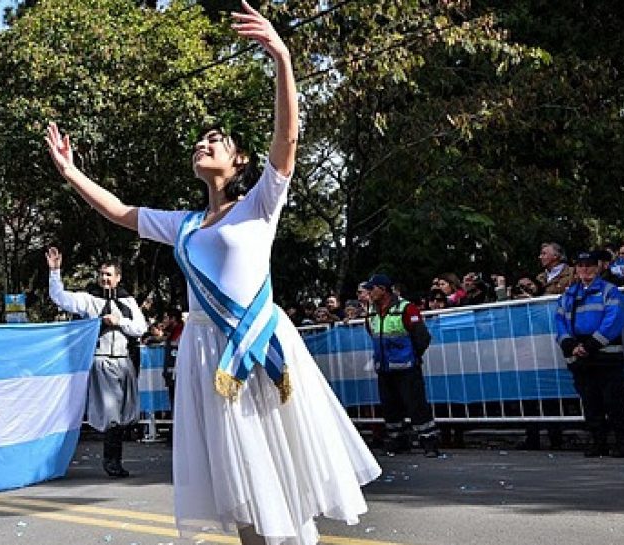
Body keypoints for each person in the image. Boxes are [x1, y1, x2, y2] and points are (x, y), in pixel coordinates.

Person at [43, 3, 379, 542]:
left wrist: (283, 59)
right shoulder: (184, 224)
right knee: (237, 481)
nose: (203, 144)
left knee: (276, 469)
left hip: (254, 347)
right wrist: (71, 171)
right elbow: (119, 211)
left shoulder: (260, 203)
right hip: (205, 356)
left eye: (215, 140)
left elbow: (287, 141)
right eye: (199, 141)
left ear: (240, 160)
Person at [45, 246, 148, 477]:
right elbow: (60, 298)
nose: (104, 278)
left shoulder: (128, 302)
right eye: (102, 274)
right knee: (111, 414)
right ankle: (111, 462)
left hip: (124, 361)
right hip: (102, 361)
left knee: (125, 414)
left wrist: (120, 321)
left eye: (109, 274)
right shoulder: (89, 300)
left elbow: (141, 327)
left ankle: (115, 459)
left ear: (118, 277)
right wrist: (55, 272)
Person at [555, 251, 624, 457]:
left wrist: (590, 344)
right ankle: (598, 443)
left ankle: (622, 443)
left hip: (606, 355)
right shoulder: (568, 295)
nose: (585, 269)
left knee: (614, 401)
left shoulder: (609, 290)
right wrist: (570, 345)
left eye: (589, 265)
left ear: (598, 267)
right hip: (581, 357)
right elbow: (559, 323)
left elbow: (613, 320)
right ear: (576, 268)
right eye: (581, 265)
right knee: (590, 402)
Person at [362, 274, 440, 457]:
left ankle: (429, 442)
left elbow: (422, 337)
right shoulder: (371, 311)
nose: (369, 293)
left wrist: (412, 356)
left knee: (416, 405)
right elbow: (372, 333)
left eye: (372, 289)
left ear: (383, 289)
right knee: (390, 407)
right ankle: (397, 440)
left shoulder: (406, 308)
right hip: (384, 367)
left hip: (406, 367)